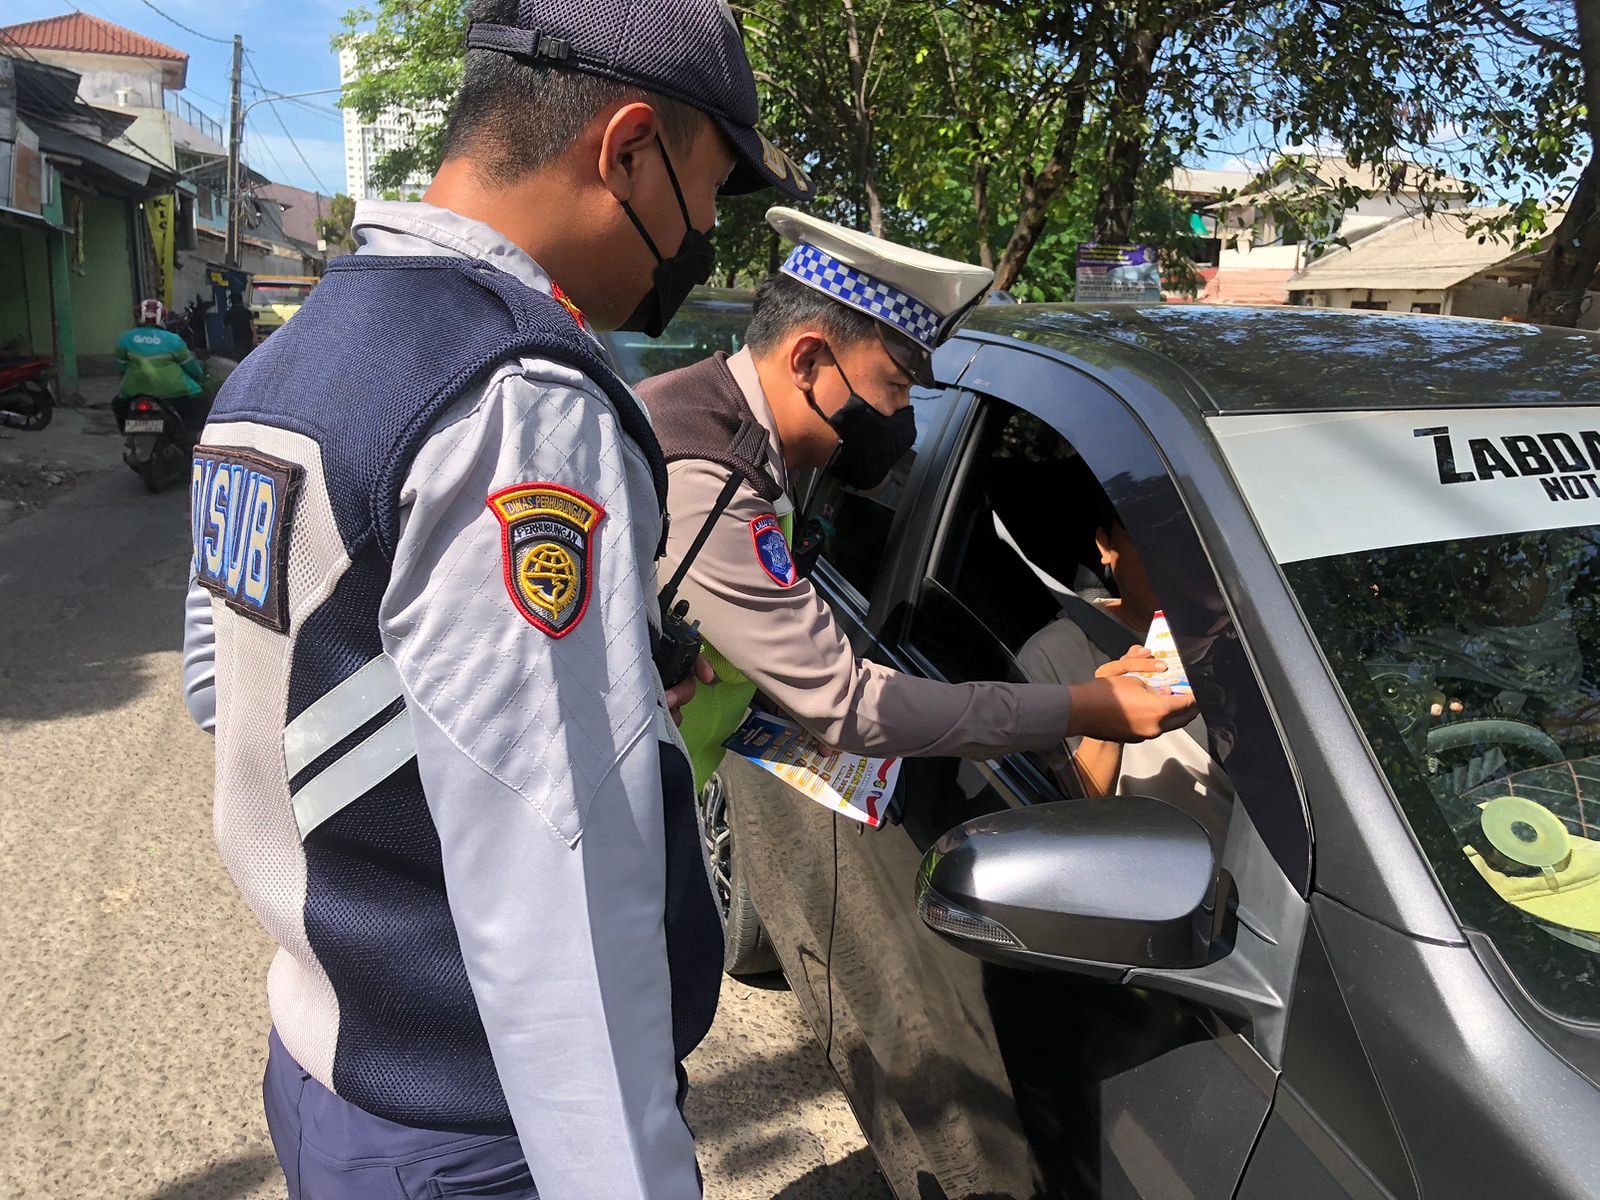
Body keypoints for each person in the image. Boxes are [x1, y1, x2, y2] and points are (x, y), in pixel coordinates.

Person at [179, 2, 808, 1197]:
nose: (701, 244)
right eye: (708, 194)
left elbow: (230, 690)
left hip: (330, 1079)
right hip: (484, 1129)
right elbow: (560, 883)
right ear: (627, 149)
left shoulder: (284, 362)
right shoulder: (517, 397)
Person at [638, 207, 1194, 793]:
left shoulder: (741, 430)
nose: (906, 415)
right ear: (806, 360)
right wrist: (1083, 707)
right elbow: (844, 702)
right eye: (897, 386)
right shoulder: (713, 473)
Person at [1017, 469, 1231, 805]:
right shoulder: (1053, 655)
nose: (1172, 558)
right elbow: (1052, 820)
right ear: (1105, 545)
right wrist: (1106, 726)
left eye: (1192, 541)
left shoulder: (1264, 638)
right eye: (1150, 537)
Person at [113, 298, 206, 428]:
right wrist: (201, 376)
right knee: (200, 403)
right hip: (174, 392)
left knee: (117, 404)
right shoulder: (173, 340)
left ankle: (127, 431)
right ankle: (191, 439)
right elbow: (192, 368)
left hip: (133, 391)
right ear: (162, 318)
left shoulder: (125, 339)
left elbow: (121, 368)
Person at [224, 290, 255, 358]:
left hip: (238, 338)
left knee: (240, 357)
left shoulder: (229, 312)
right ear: (241, 301)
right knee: (249, 357)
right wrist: (255, 337)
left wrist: (225, 337)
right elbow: (251, 325)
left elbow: (226, 326)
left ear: (231, 302)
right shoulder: (247, 311)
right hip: (248, 337)